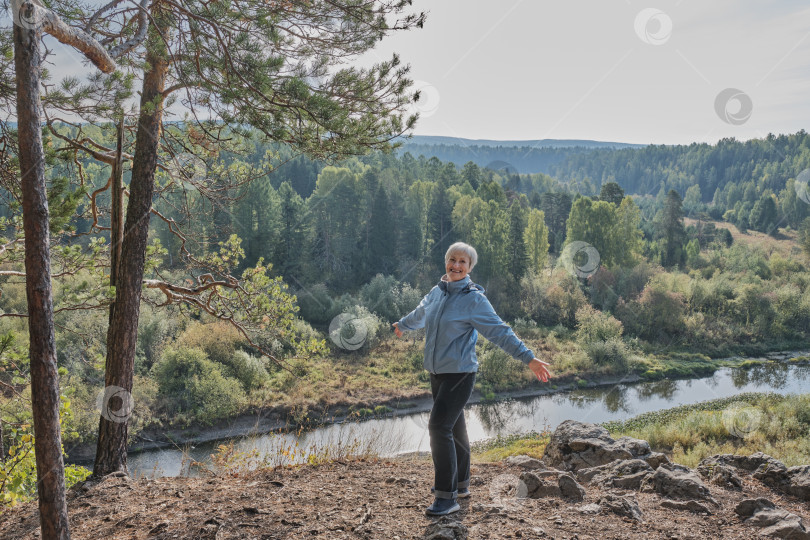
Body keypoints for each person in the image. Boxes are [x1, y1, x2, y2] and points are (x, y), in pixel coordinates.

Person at [393, 242, 551, 516]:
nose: (456, 265)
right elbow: (421, 313)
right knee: (454, 428)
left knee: (438, 428)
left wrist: (529, 358)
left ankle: (446, 497)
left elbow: (500, 332)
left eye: (462, 262)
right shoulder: (436, 292)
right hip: (437, 372)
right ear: (446, 262)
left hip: (460, 373)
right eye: (452, 260)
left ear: (469, 267)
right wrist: (402, 325)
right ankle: (462, 484)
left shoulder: (474, 299)